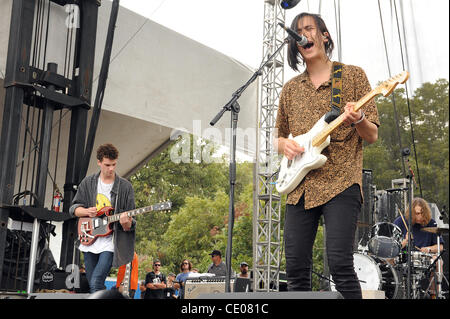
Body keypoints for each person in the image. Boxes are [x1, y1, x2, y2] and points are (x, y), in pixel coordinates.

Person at [274, 13, 379, 299]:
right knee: (295, 270)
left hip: (341, 182)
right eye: (298, 32)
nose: (303, 35)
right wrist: (285, 146)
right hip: (300, 188)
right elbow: (279, 137)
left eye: (309, 29)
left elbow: (371, 135)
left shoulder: (352, 75)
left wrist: (358, 119)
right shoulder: (291, 89)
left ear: (324, 36)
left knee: (340, 265)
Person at [70, 143, 136, 293]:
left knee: (96, 281)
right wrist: (86, 211)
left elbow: (129, 224)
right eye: (107, 165)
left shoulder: (125, 187)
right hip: (89, 239)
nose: (111, 168)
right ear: (99, 162)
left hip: (111, 241)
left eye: (114, 164)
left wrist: (126, 223)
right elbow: (73, 209)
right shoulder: (88, 183)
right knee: (95, 287)